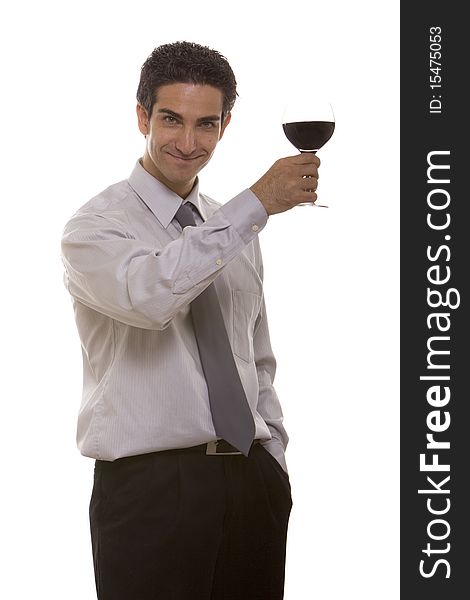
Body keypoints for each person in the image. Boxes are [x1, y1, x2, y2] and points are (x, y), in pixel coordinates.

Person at [61, 40, 320, 600]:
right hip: (150, 491)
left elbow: (257, 355)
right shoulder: (94, 228)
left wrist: (273, 458)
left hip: (251, 484)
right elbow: (151, 296)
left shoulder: (233, 229)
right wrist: (255, 204)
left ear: (225, 125)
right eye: (170, 119)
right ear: (141, 117)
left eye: (206, 124)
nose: (187, 142)